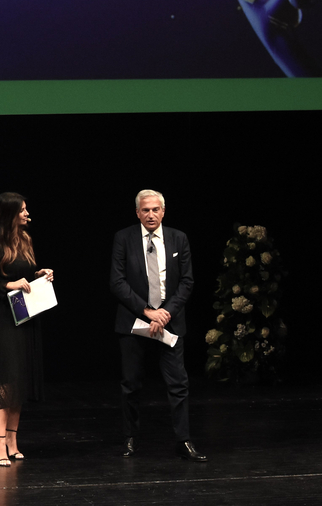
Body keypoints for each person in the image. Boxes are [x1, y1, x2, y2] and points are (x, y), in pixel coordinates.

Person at [109, 189, 208, 462]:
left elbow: (187, 281)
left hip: (169, 321)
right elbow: (117, 282)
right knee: (131, 384)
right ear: (137, 213)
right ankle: (130, 437)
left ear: (163, 212)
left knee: (178, 384)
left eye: (155, 209)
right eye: (145, 210)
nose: (150, 214)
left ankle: (183, 440)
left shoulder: (178, 238)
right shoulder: (123, 238)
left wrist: (164, 313)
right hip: (135, 320)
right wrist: (147, 312)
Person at [0, 192, 54, 467]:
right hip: (5, 318)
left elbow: (25, 276)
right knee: (6, 378)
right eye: (21, 210)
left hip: (26, 315)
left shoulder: (26, 240)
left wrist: (39, 275)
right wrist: (8, 284)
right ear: (9, 213)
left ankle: (12, 439)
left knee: (20, 377)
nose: (26, 214)